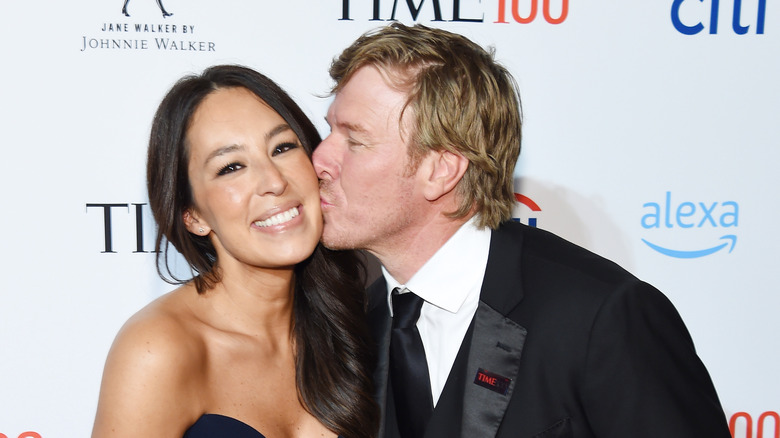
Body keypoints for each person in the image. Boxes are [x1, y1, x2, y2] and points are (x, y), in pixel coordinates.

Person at [312, 23, 732, 438]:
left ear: (441, 171)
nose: (319, 159)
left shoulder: (599, 317)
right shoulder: (355, 322)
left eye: (355, 140)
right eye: (331, 129)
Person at [91, 65, 378, 438]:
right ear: (192, 216)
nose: (274, 181)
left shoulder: (361, 321)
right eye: (231, 167)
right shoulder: (158, 350)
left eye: (283, 147)